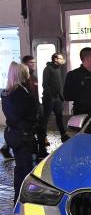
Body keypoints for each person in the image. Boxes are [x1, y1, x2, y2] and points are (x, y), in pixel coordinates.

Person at [2, 62, 40, 201]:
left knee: (20, 167)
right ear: (23, 74)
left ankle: (18, 196)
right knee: (26, 168)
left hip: (15, 134)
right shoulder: (20, 93)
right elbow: (26, 114)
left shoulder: (8, 92)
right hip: (23, 135)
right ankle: (25, 198)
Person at [63, 47, 91, 116]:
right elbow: (67, 96)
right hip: (82, 112)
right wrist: (83, 92)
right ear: (87, 59)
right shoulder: (74, 75)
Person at [21, 55, 48, 158]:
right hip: (30, 110)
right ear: (25, 65)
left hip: (37, 106)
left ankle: (42, 151)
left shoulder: (34, 77)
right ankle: (34, 151)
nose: (34, 65)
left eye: (34, 62)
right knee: (32, 131)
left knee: (41, 129)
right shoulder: (23, 78)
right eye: (31, 63)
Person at [42, 53, 70, 143]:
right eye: (60, 58)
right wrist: (50, 95)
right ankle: (43, 137)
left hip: (58, 98)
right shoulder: (48, 69)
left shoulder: (58, 69)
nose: (62, 60)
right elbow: (45, 84)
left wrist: (61, 96)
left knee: (59, 117)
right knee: (46, 118)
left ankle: (63, 135)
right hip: (50, 98)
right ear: (55, 59)